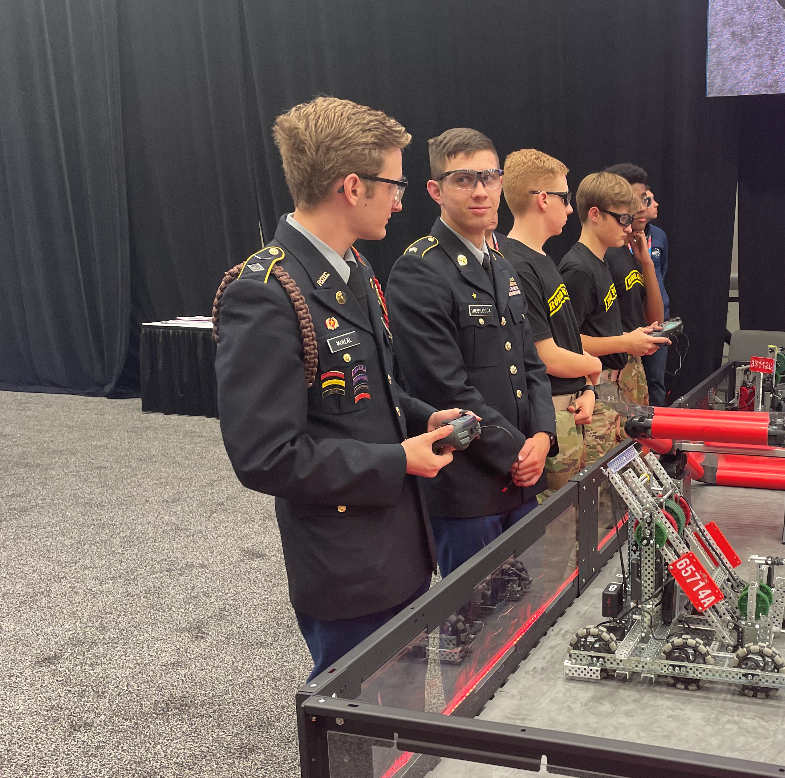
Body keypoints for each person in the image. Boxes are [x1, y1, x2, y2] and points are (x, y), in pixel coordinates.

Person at [213, 97, 464, 681]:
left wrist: (421, 417)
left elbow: (369, 390)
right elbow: (265, 456)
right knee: (359, 717)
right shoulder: (266, 291)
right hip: (345, 562)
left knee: (400, 708)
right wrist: (398, 460)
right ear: (353, 187)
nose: (399, 202)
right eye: (394, 186)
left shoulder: (355, 270)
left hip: (398, 544)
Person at [386, 128, 556, 575]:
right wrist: (519, 452)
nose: (480, 191)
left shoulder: (502, 266)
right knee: (477, 615)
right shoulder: (419, 270)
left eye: (489, 177)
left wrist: (543, 436)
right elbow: (444, 388)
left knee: (535, 605)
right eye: (463, 179)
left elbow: (531, 364)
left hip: (523, 478)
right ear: (435, 190)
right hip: (468, 488)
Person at [498, 149, 603, 493]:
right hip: (551, 413)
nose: (570, 209)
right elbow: (545, 356)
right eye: (565, 198)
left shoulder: (541, 257)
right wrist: (594, 366)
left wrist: (588, 387)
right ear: (543, 200)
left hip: (571, 404)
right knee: (560, 519)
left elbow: (565, 339)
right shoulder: (516, 264)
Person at [559, 172, 667, 464]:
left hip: (612, 389)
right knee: (602, 481)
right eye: (622, 219)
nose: (629, 227)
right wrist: (626, 343)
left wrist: (631, 339)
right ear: (595, 214)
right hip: (593, 392)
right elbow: (566, 342)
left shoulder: (602, 261)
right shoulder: (578, 270)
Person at [604, 163, 666, 408]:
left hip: (631, 370)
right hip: (609, 378)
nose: (642, 207)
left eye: (643, 199)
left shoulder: (631, 251)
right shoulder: (602, 256)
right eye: (633, 200)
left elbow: (655, 321)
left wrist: (647, 264)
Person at [644, 187, 672, 405]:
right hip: (633, 317)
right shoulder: (621, 237)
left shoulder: (659, 235)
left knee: (656, 378)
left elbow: (661, 271)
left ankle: (658, 421)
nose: (656, 204)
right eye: (650, 200)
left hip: (659, 316)